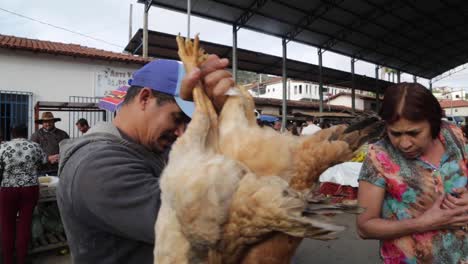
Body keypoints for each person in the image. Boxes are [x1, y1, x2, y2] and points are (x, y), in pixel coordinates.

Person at [57, 56, 233, 264]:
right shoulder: (97, 166)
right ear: (145, 98)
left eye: (189, 123)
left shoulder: (151, 148)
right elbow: (199, 222)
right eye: (177, 119)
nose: (181, 132)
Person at [357, 82, 468, 263]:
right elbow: (364, 227)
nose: (405, 144)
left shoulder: (453, 135)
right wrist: (424, 223)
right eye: (395, 133)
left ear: (433, 123)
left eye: (414, 133)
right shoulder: (379, 157)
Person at [0, 124, 47, 264]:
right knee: (25, 224)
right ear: (26, 133)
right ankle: (21, 259)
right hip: (30, 188)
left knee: (7, 224)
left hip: (8, 188)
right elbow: (43, 162)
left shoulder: (3, 147)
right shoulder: (35, 146)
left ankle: (8, 260)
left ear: (12, 134)